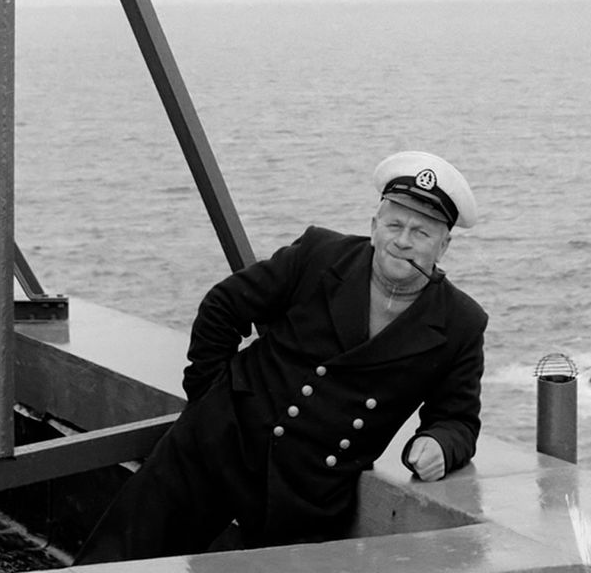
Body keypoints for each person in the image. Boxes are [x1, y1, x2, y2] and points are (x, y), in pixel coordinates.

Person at [74, 151, 488, 562]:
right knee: (116, 562)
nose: (403, 241)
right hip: (220, 443)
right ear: (374, 226)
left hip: (308, 490)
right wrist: (210, 401)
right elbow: (224, 306)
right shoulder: (321, 255)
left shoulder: (460, 323)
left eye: (421, 232)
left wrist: (438, 443)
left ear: (444, 244)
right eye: (395, 224)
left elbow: (458, 418)